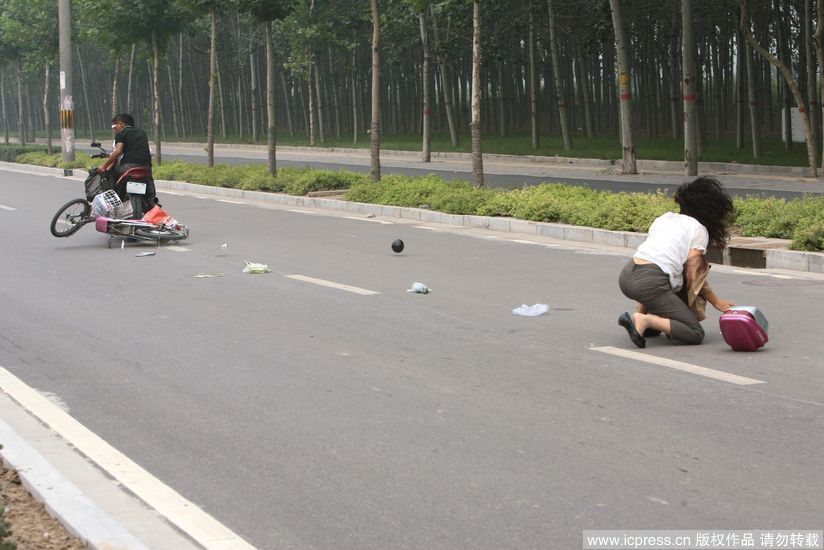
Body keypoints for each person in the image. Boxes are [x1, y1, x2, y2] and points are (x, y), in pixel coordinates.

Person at [617, 176, 736, 348]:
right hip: (650, 282)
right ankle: (644, 320)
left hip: (627, 275)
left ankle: (642, 322)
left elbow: (655, 259)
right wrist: (715, 301)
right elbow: (693, 273)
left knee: (666, 279)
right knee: (695, 333)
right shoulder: (698, 229)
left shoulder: (665, 218)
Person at [97, 113, 156, 215]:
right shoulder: (142, 132)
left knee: (110, 176)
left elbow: (118, 151)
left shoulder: (121, 134)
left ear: (121, 124)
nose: (114, 129)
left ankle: (112, 203)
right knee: (149, 182)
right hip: (145, 167)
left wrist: (104, 166)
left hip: (128, 167)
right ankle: (152, 203)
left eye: (114, 126)